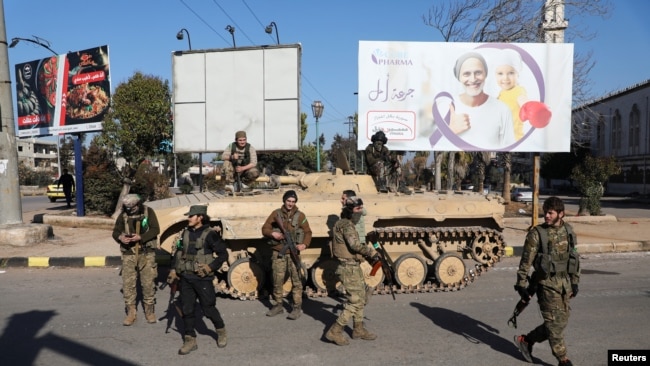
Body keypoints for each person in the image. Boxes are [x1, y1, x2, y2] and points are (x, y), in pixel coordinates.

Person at [513, 196, 580, 366]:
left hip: (564, 284)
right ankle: (563, 360)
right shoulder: (537, 234)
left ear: (561, 214)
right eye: (546, 213)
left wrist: (575, 281)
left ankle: (526, 340)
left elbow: (574, 257)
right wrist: (521, 284)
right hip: (545, 285)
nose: (547, 216)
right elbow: (526, 261)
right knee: (554, 325)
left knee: (560, 322)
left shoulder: (569, 231)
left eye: (550, 213)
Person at [166, 205, 228, 355]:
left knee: (208, 308)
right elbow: (178, 253)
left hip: (202, 279)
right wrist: (174, 269)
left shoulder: (210, 235)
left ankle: (221, 331)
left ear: (200, 217)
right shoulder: (185, 233)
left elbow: (222, 255)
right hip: (186, 277)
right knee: (187, 309)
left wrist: (210, 268)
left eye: (191, 216)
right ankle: (190, 339)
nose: (188, 218)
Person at [325, 197, 379, 346]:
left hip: (352, 266)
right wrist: (371, 252)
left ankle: (358, 329)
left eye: (361, 208)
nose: (360, 212)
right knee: (355, 301)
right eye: (357, 209)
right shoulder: (347, 226)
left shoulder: (342, 223)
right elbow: (354, 245)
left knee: (361, 298)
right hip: (348, 268)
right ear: (350, 211)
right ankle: (335, 331)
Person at [447, 51, 515, 149]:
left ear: (485, 74)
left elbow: (509, 148)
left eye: (478, 72)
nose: (473, 79)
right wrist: (450, 132)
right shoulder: (447, 108)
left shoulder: (502, 109)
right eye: (466, 74)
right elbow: (433, 145)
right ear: (459, 77)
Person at [261, 190, 312, 320]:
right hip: (279, 251)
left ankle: (296, 307)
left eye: (293, 202)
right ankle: (278, 305)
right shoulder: (276, 214)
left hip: (294, 251)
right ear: (284, 201)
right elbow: (265, 228)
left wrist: (304, 245)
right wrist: (273, 234)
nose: (290, 204)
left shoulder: (300, 216)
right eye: (288, 201)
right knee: (277, 280)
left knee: (297, 280)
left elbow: (308, 232)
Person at [111, 194, 160, 326]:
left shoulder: (148, 212)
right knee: (128, 285)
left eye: (131, 208)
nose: (129, 210)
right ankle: (131, 312)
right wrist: (121, 238)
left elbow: (156, 229)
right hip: (128, 254)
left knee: (148, 283)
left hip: (146, 253)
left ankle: (149, 311)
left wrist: (141, 237)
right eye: (127, 208)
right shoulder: (123, 215)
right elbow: (115, 232)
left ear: (138, 204)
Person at [495, 49, 528, 140]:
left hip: (515, 138)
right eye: (500, 73)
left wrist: (525, 106)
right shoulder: (501, 92)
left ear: (518, 74)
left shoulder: (519, 90)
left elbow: (525, 105)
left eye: (511, 73)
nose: (505, 78)